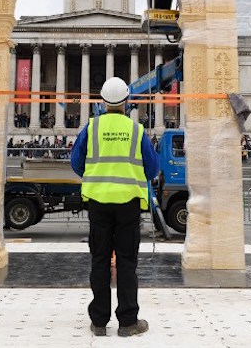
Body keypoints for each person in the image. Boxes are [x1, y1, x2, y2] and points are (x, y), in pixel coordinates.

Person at [71, 76, 158, 337]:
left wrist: (97, 173)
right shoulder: (137, 130)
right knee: (126, 262)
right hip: (128, 205)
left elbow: (76, 163)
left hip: (98, 202)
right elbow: (152, 169)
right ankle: (128, 322)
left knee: (99, 261)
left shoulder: (91, 127)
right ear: (127, 101)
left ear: (103, 101)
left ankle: (99, 322)